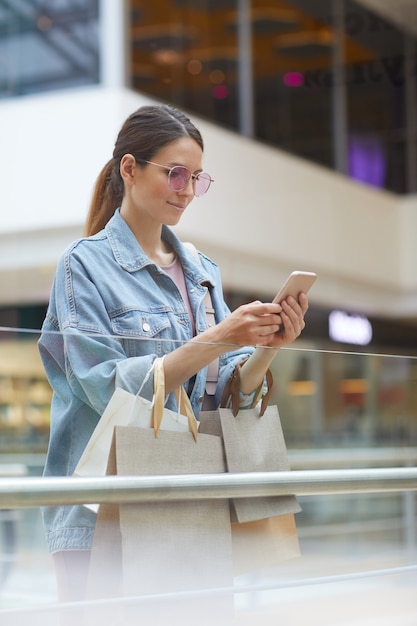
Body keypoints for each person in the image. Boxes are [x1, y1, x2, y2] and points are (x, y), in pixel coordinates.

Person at [38, 103, 309, 602]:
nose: (187, 190)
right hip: (102, 511)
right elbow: (104, 386)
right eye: (176, 174)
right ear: (129, 169)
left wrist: (265, 348)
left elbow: (230, 394)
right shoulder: (84, 266)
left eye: (198, 178)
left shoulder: (202, 271)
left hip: (188, 500)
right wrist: (219, 338)